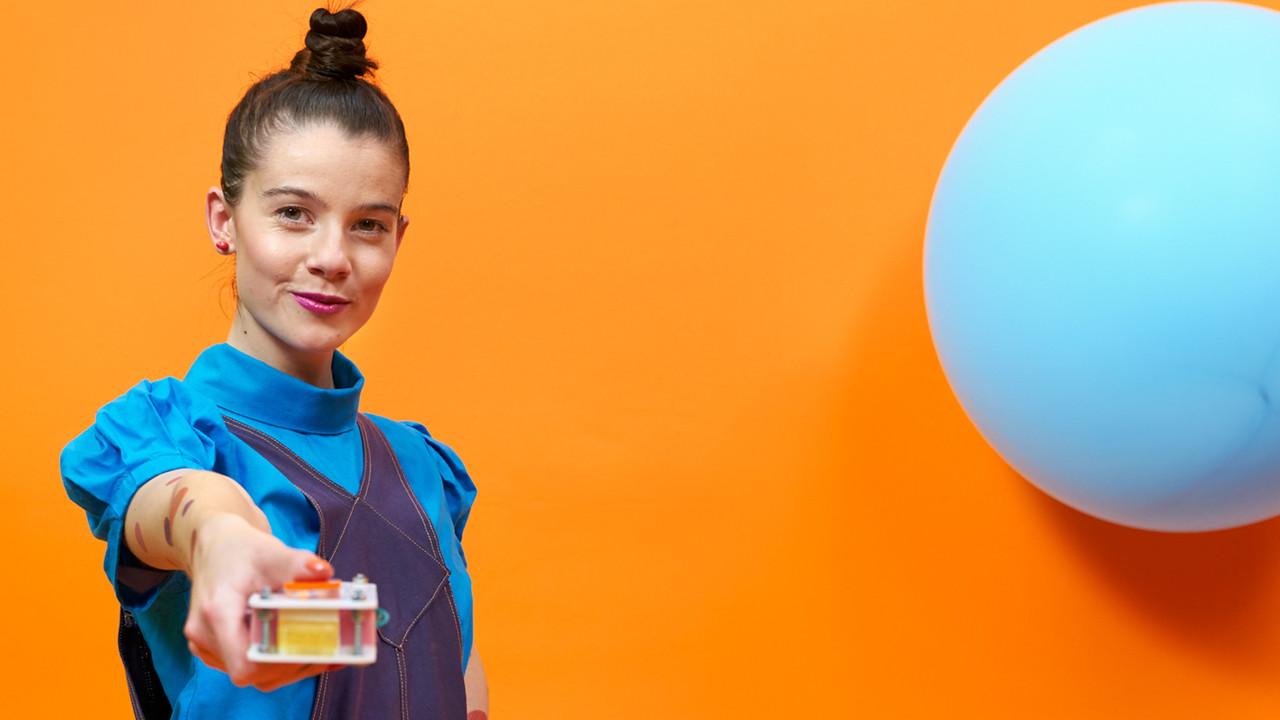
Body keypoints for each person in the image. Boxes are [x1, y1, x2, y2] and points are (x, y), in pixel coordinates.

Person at [58, 5, 490, 719]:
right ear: (224, 220)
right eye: (294, 213)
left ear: (398, 239)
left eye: (368, 225)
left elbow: (453, 672)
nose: (332, 257)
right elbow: (184, 504)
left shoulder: (424, 471)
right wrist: (220, 539)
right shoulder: (169, 437)